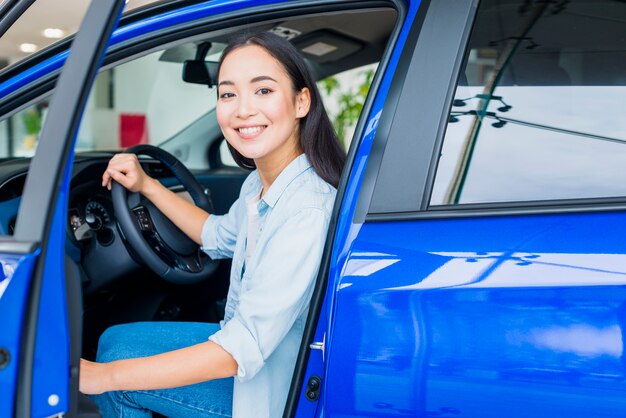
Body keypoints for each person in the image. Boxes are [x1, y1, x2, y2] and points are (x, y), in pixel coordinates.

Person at [79, 31, 345, 418]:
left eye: (263, 91)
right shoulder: (262, 182)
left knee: (118, 378)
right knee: (114, 340)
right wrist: (147, 186)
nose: (242, 110)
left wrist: (105, 378)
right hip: (252, 358)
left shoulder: (307, 210)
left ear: (301, 101)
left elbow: (242, 348)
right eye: (227, 94)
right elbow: (216, 235)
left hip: (272, 391)